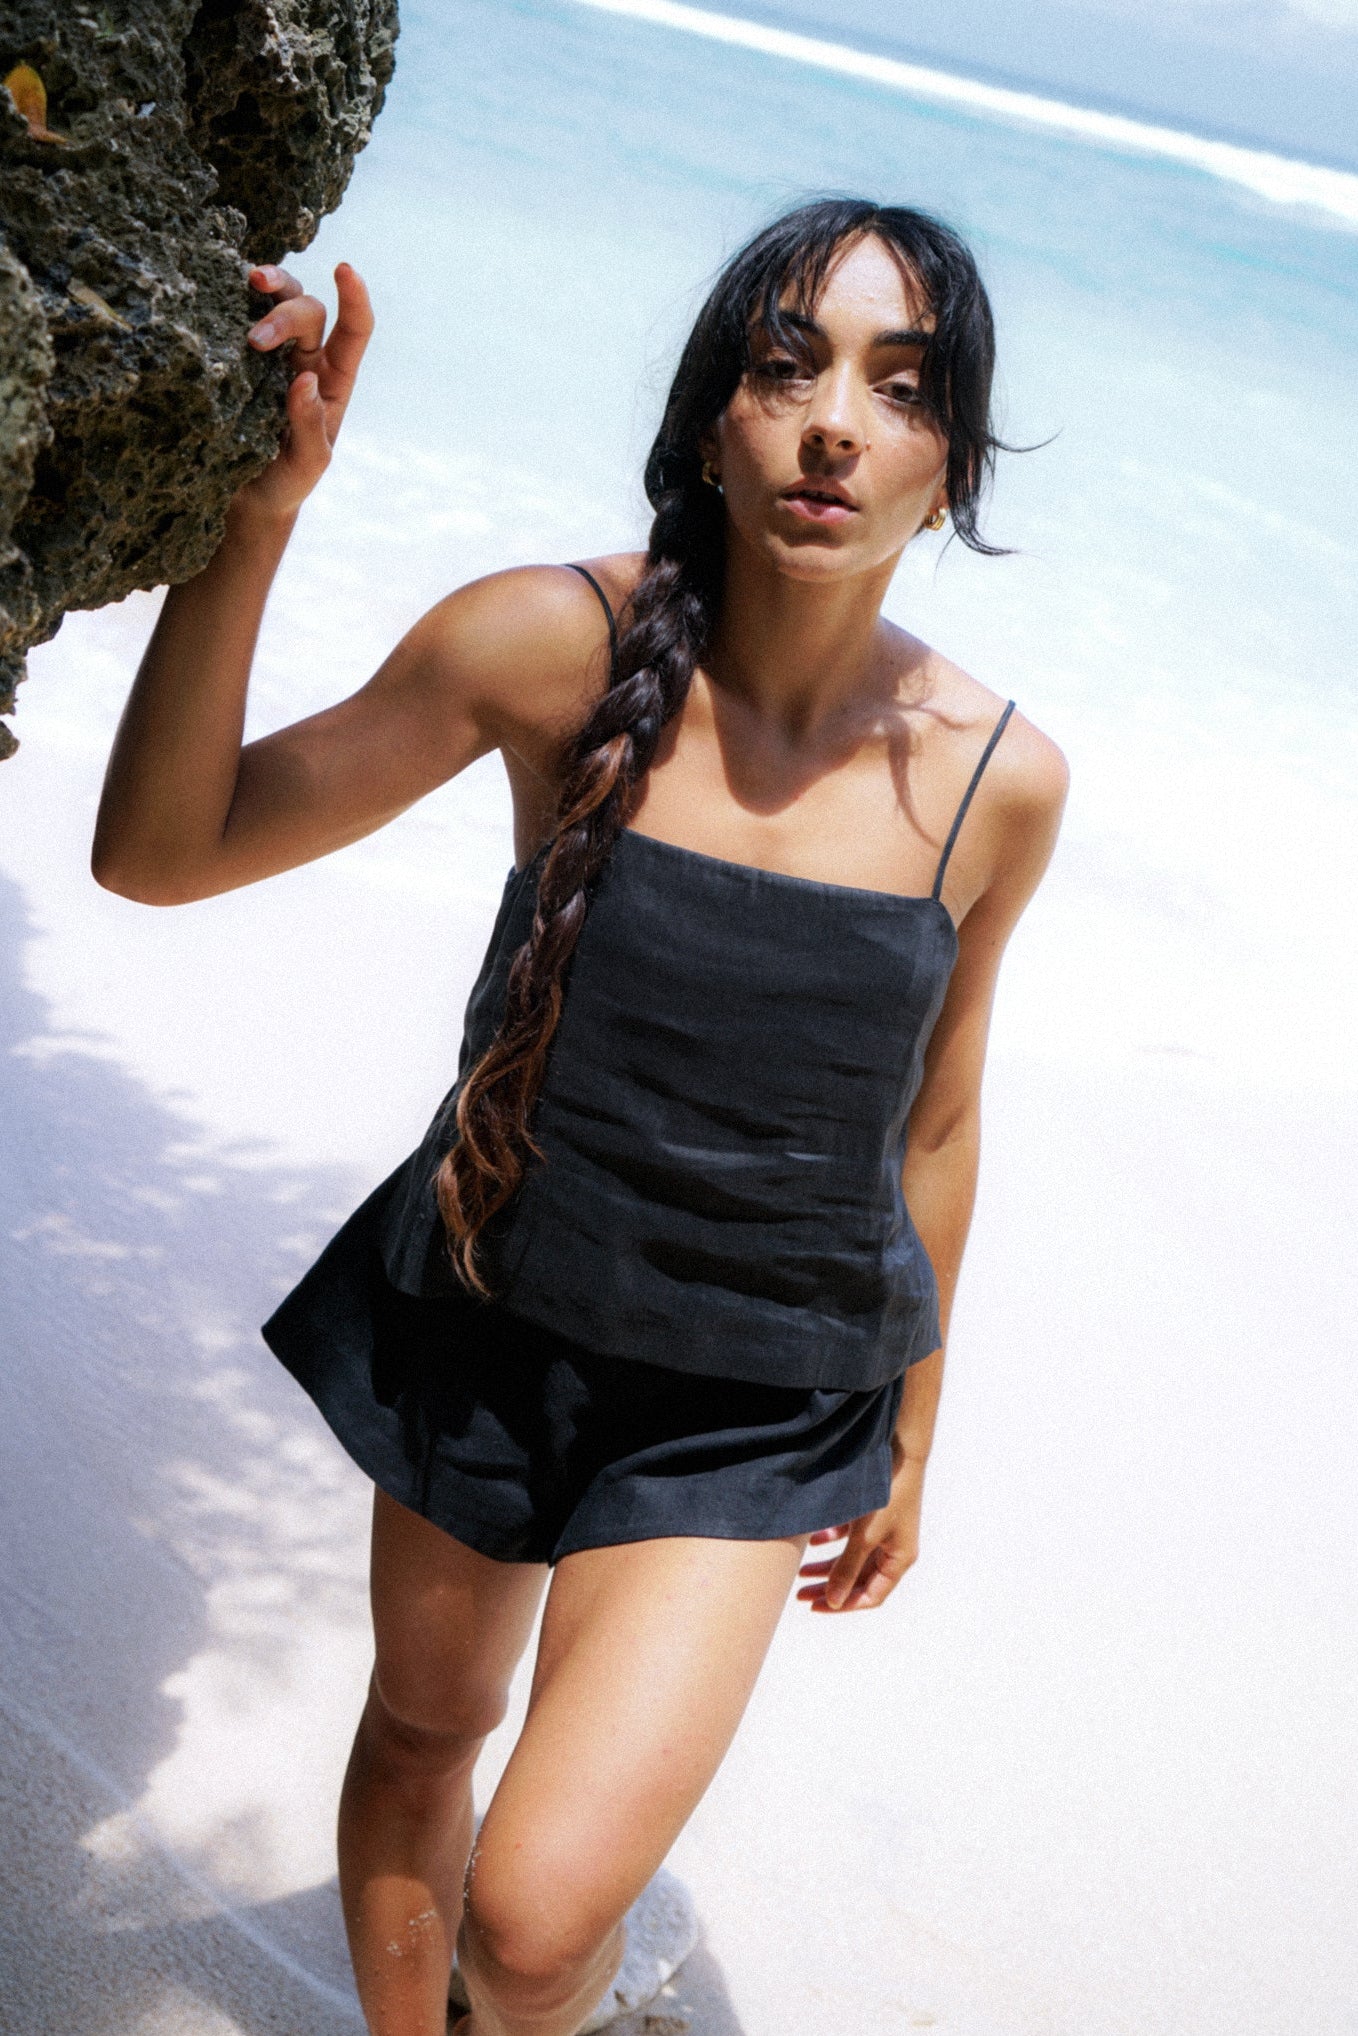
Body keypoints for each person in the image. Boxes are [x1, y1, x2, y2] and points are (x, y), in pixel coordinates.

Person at [92, 197, 1069, 2036]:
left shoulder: (996, 785)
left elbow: (933, 1124)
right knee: (425, 1734)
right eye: (786, 366)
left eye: (900, 383)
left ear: (946, 468)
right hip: (486, 1302)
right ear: (716, 419)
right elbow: (158, 853)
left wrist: (914, 1436)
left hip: (752, 1398)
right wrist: (256, 527)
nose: (834, 420)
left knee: (534, 1922)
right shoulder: (546, 644)